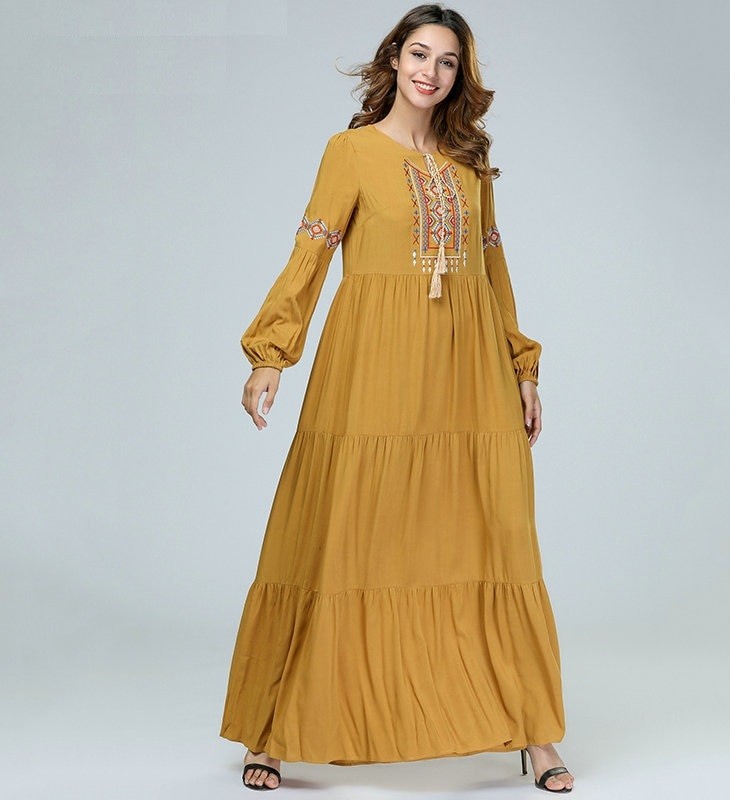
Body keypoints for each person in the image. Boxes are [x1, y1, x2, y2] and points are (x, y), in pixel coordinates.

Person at [220, 3, 574, 793]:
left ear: (459, 76)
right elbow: (310, 253)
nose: (430, 72)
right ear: (393, 59)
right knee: (339, 531)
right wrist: (272, 353)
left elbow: (492, 270)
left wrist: (523, 366)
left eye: (447, 61)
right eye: (419, 54)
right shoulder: (349, 152)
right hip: (374, 362)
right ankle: (272, 729)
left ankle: (536, 732)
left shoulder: (471, 163)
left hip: (467, 370)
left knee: (493, 536)